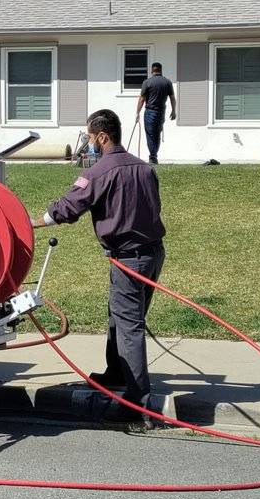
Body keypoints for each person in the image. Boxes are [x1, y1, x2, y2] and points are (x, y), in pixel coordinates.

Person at [32, 109, 166, 424]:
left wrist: (33, 223)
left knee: (129, 327)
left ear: (102, 136)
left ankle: (138, 407)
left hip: (128, 259)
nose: (88, 143)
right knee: (120, 317)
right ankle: (115, 373)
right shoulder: (144, 168)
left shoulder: (98, 172)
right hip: (153, 254)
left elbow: (68, 208)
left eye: (90, 137)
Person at [136, 62, 176, 165]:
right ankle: (154, 156)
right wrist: (173, 111)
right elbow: (172, 98)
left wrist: (137, 112)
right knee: (157, 134)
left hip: (150, 111)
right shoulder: (167, 82)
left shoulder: (147, 82)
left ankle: (153, 157)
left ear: (152, 70)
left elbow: (142, 99)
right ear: (161, 70)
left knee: (150, 134)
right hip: (161, 112)